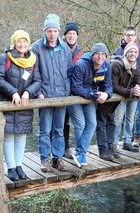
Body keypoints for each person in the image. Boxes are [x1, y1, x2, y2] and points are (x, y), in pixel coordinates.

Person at [0, 30, 41, 181]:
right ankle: (11, 168)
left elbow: (38, 81)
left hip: (24, 104)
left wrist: (28, 92)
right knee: (8, 136)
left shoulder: (33, 59)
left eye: (25, 41)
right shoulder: (4, 58)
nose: (22, 44)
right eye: (19, 41)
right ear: (14, 43)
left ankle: (19, 166)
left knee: (21, 136)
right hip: (8, 102)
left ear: (28, 43)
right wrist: (13, 92)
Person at [31, 14, 73, 172]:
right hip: (45, 96)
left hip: (61, 96)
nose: (52, 34)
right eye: (49, 31)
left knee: (59, 129)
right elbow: (34, 73)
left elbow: (69, 72)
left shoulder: (65, 49)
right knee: (44, 129)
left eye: (55, 31)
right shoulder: (36, 48)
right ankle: (45, 159)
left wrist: (67, 91)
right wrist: (38, 93)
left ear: (58, 31)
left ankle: (58, 158)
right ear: (45, 31)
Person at [70, 43, 111, 167]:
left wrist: (106, 95)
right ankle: (80, 153)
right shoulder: (81, 65)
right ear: (92, 55)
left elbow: (109, 86)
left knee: (92, 123)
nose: (100, 57)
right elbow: (75, 87)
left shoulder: (106, 66)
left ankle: (80, 153)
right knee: (80, 124)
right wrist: (94, 94)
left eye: (103, 54)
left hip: (89, 98)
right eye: (97, 54)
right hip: (74, 98)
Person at [112, 42, 140, 153]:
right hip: (120, 96)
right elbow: (114, 86)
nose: (133, 54)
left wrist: (139, 89)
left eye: (135, 52)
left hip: (132, 96)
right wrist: (130, 91)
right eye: (130, 51)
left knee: (130, 119)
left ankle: (127, 142)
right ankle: (114, 145)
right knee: (118, 120)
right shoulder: (116, 65)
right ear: (126, 53)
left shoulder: (136, 67)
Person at [63, 22, 83, 159]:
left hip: (75, 92)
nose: (71, 36)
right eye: (69, 33)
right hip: (60, 91)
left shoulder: (79, 52)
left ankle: (68, 148)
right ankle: (60, 149)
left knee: (70, 121)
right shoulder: (60, 48)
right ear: (64, 35)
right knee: (60, 122)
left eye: (74, 33)